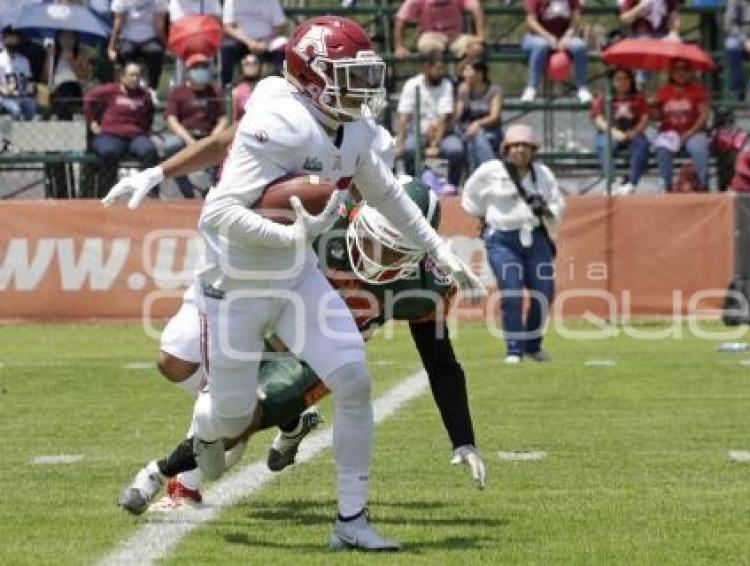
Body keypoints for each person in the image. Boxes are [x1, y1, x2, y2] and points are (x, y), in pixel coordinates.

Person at [102, 16, 483, 552]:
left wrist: (440, 248)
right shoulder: (277, 120)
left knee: (353, 378)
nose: (362, 87)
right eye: (348, 75)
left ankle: (352, 522)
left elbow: (389, 195)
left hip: (296, 274)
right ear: (313, 75)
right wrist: (292, 234)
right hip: (236, 284)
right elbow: (218, 214)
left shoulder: (348, 127)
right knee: (228, 419)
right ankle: (199, 443)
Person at [119, 181, 485, 514]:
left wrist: (463, 440)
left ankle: (166, 476)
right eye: (376, 240)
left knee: (235, 423)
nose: (380, 257)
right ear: (359, 216)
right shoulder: (326, 213)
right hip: (265, 303)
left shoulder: (424, 285)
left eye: (396, 251)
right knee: (174, 363)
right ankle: (291, 423)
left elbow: (440, 363)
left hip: (319, 352)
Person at [462, 124, 564, 364]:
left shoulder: (543, 174)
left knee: (544, 293)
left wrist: (546, 209)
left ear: (533, 150)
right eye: (515, 146)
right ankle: (514, 349)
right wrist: (481, 216)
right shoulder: (491, 171)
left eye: (526, 146)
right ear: (506, 148)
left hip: (535, 237)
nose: (520, 150)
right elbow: (470, 194)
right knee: (512, 292)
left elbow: (557, 205)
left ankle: (533, 344)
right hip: (502, 239)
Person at [84, 61, 158, 197]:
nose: (135, 78)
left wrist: (145, 130)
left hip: (135, 136)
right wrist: (92, 122)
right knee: (108, 152)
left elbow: (149, 114)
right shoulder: (110, 90)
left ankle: (150, 194)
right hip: (111, 134)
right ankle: (106, 193)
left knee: (150, 151)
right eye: (131, 75)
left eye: (138, 75)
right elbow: (88, 99)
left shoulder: (145, 95)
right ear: (122, 77)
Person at [162, 52, 227, 198]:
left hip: (208, 136)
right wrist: (188, 139)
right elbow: (171, 119)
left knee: (225, 151)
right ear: (188, 71)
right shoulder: (178, 92)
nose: (201, 70)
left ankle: (213, 189)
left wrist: (215, 135)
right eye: (196, 67)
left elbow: (222, 118)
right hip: (185, 135)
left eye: (204, 67)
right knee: (170, 146)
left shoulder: (216, 92)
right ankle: (187, 190)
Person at [396, 52, 465, 188]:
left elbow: (443, 117)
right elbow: (404, 116)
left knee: (455, 149)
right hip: (417, 133)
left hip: (443, 133)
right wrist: (400, 142)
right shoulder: (412, 84)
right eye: (438, 69)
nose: (441, 72)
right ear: (427, 68)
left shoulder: (446, 85)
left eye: (443, 69)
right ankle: (412, 185)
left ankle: (451, 186)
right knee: (409, 149)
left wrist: (435, 145)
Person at [590, 67, 651, 195]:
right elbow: (598, 119)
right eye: (618, 79)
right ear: (612, 81)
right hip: (610, 132)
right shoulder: (604, 97)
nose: (622, 83)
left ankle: (631, 183)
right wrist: (613, 132)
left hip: (632, 132)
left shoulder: (638, 98)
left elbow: (645, 118)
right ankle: (612, 182)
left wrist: (634, 131)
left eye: (625, 79)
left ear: (631, 81)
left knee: (642, 145)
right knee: (604, 145)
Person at [653, 59, 711, 191]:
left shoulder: (698, 90)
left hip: (693, 131)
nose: (681, 73)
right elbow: (657, 118)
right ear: (671, 73)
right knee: (662, 150)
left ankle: (702, 185)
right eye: (677, 70)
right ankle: (666, 186)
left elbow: (704, 115)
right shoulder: (663, 91)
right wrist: (653, 107)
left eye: (684, 69)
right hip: (669, 133)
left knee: (699, 148)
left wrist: (689, 133)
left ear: (690, 72)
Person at [521, 0, 592, 103]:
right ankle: (532, 87)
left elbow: (575, 20)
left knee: (579, 46)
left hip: (564, 36)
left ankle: (582, 88)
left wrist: (567, 36)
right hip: (537, 37)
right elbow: (531, 21)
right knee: (541, 45)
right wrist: (548, 37)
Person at [393, 0, 485, 67]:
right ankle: (438, 83)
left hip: (456, 35)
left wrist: (480, 34)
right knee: (430, 50)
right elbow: (401, 19)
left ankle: (460, 74)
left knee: (477, 48)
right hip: (431, 36)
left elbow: (476, 8)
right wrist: (399, 46)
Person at [221, 0, 287, 86]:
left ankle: (283, 84)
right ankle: (227, 87)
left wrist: (265, 42)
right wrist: (249, 41)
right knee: (227, 47)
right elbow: (228, 27)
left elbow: (280, 26)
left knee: (282, 45)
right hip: (241, 41)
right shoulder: (231, 1)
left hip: (267, 42)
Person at [454, 58, 503, 173]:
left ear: (479, 74)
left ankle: (478, 175)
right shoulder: (463, 90)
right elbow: (456, 118)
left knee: (476, 138)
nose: (464, 74)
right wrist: (462, 98)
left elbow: (494, 116)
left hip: (491, 131)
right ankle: (494, 173)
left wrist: (478, 124)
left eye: (467, 70)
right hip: (464, 130)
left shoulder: (494, 91)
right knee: (474, 137)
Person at [108, 0, 168, 90]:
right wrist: (111, 48)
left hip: (150, 38)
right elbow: (117, 25)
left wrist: (166, 45)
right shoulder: (121, 1)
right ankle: (126, 87)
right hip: (128, 39)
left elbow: (159, 25)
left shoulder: (158, 1)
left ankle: (152, 88)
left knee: (156, 52)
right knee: (125, 52)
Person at [50, 30, 93, 120]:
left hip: (75, 87)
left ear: (76, 40)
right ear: (58, 39)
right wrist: (49, 59)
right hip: (56, 88)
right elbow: (46, 77)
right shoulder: (53, 54)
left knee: (67, 87)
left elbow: (86, 76)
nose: (67, 41)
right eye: (63, 37)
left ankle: (63, 115)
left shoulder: (81, 54)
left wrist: (71, 62)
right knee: (63, 92)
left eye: (70, 38)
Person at [0, 27, 36, 121]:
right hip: (3, 96)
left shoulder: (23, 60)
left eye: (15, 39)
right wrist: (6, 91)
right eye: (10, 38)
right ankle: (8, 132)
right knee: (16, 110)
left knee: (31, 107)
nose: (12, 41)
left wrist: (29, 92)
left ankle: (24, 131)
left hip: (21, 95)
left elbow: (27, 80)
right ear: (3, 39)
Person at [231, 52, 260, 121]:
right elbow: (233, 120)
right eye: (247, 63)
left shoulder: (266, 88)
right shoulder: (236, 92)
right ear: (242, 67)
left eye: (254, 63)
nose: (251, 66)